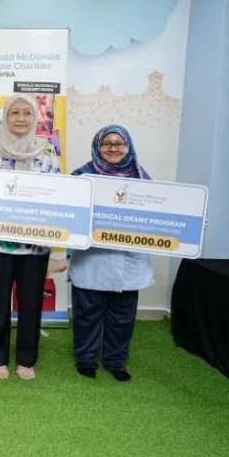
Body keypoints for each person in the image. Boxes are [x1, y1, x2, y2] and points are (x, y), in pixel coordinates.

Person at [0, 94, 60, 380]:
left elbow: (56, 196)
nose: (21, 119)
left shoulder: (47, 152)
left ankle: (26, 358)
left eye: (26, 113)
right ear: (6, 117)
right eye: (15, 113)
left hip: (35, 245)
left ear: (34, 118)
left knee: (32, 301)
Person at [70, 125, 153, 382]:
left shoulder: (142, 179)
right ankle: (86, 359)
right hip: (92, 260)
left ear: (128, 146)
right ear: (97, 146)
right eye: (107, 143)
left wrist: (190, 225)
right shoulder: (81, 177)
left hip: (129, 262)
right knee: (87, 314)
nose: (113, 148)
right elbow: (67, 214)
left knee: (122, 317)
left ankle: (116, 361)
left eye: (119, 143)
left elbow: (160, 217)